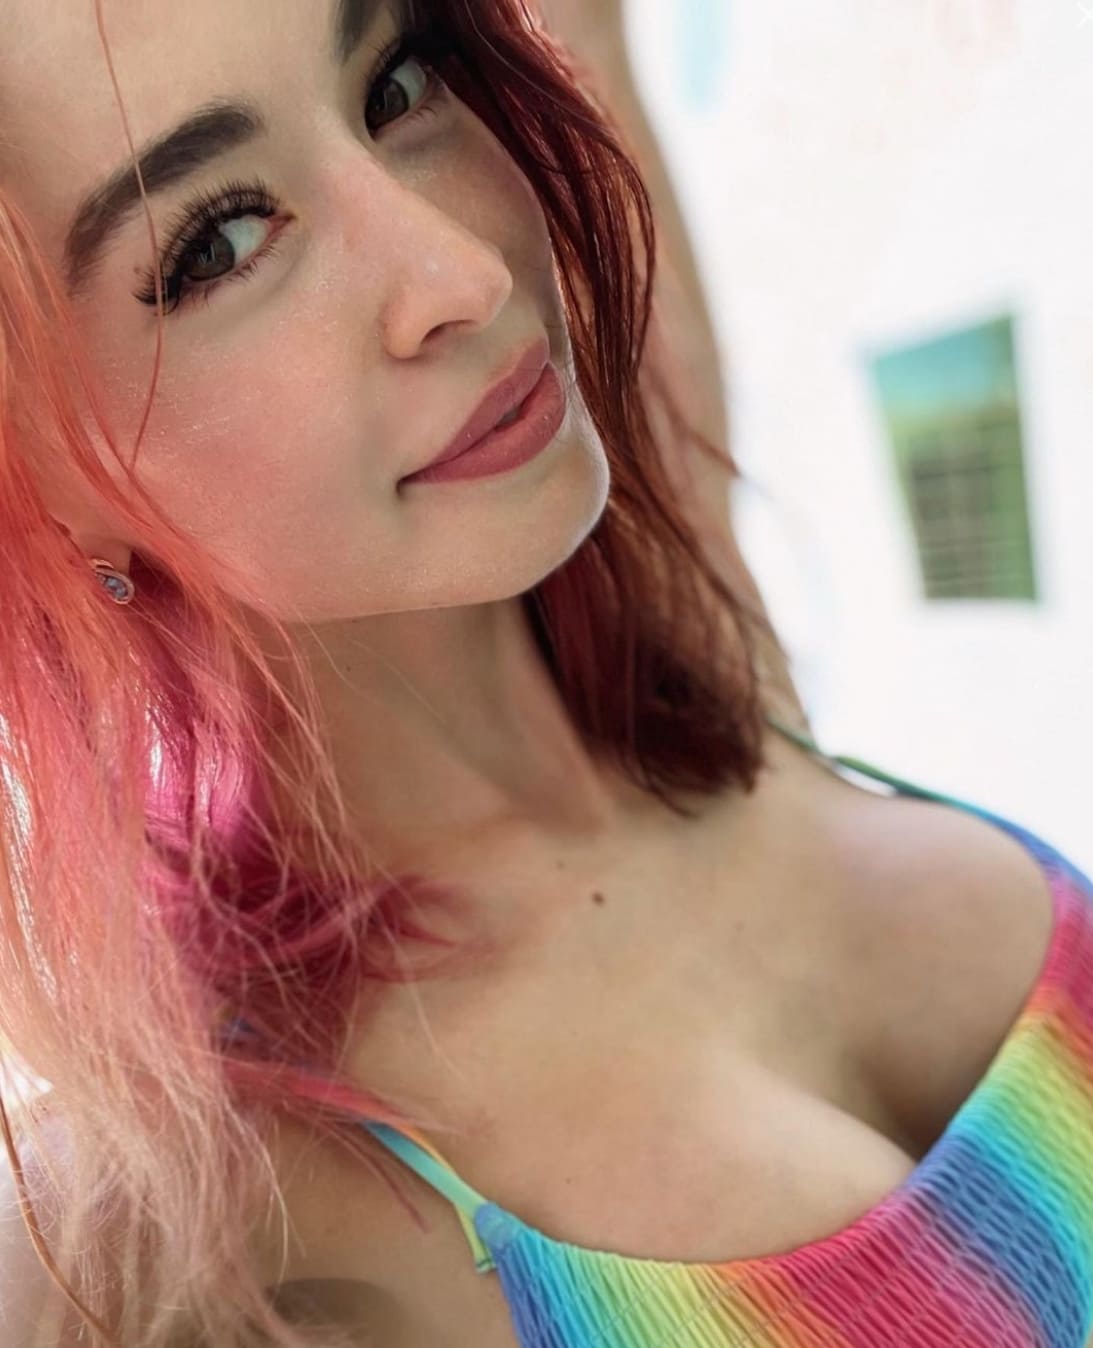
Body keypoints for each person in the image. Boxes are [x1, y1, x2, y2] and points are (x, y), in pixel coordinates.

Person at [0, 2, 1090, 1345]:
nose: (462, 268)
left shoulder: (695, 671)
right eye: (217, 243)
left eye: (397, 84)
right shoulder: (189, 1243)